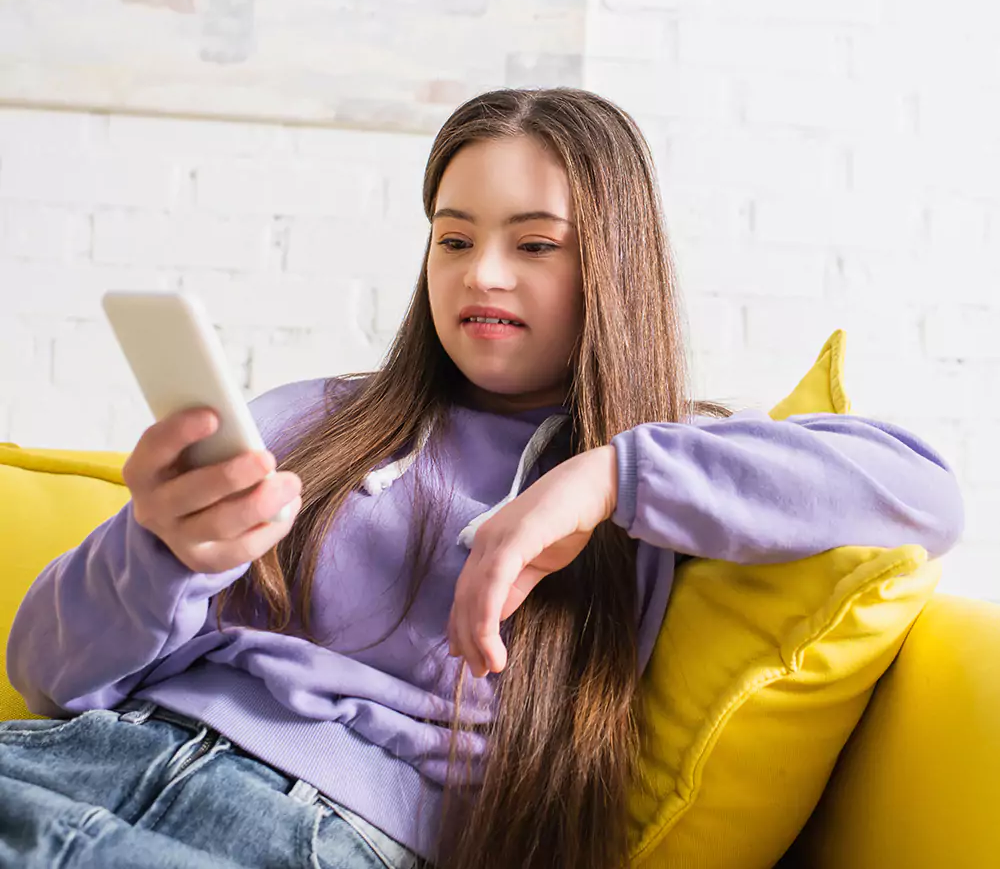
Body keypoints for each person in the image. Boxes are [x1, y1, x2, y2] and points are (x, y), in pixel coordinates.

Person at [2, 88, 963, 869]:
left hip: (319, 837)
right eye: (454, 240)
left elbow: (921, 490)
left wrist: (606, 479)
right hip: (88, 758)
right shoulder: (321, 418)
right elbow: (45, 679)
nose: (481, 277)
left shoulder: (683, 469)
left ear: (614, 266)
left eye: (534, 245)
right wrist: (159, 552)